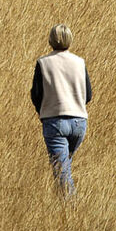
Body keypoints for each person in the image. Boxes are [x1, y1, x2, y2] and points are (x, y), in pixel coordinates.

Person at [30, 24, 91, 196]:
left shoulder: (43, 63)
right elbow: (88, 94)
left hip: (54, 121)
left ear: (51, 40)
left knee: (62, 174)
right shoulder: (80, 62)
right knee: (65, 167)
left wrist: (42, 111)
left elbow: (36, 94)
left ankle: (70, 206)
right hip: (79, 123)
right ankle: (64, 205)